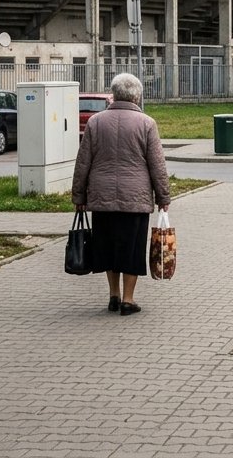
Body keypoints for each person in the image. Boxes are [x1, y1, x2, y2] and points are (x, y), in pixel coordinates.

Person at [71, 72, 171, 317]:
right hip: (135, 200)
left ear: (113, 94)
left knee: (107, 246)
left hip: (101, 199)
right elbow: (157, 164)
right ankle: (128, 299)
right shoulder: (147, 123)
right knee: (131, 249)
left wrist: (79, 196)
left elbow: (83, 162)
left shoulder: (95, 122)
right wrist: (163, 197)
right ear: (137, 96)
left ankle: (113, 295)